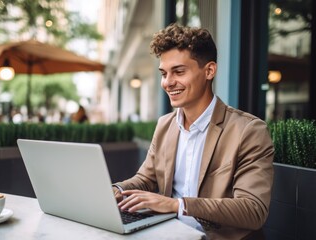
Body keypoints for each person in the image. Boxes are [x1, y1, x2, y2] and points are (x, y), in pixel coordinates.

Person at [112, 23, 274, 240]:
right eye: (164, 73)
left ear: (209, 71)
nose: (168, 83)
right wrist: (117, 190)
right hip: (170, 233)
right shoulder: (165, 125)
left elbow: (253, 210)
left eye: (178, 71)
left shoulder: (249, 130)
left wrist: (177, 205)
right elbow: (145, 179)